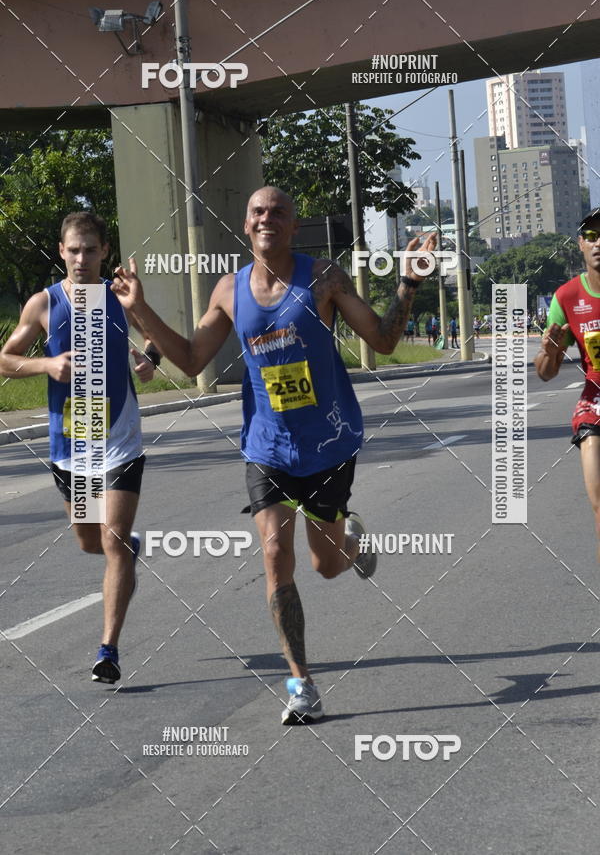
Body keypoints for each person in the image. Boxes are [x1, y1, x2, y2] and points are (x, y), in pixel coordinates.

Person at [111, 186, 436, 724]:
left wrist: (407, 282)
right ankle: (301, 684)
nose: (268, 219)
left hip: (328, 445)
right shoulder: (228, 290)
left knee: (325, 565)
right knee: (273, 555)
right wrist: (140, 309)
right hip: (267, 448)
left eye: (279, 212)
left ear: (293, 225)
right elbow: (192, 360)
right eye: (259, 212)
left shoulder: (324, 278)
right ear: (246, 225)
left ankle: (350, 545)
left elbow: (381, 341)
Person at [0, 212, 157, 683]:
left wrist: (149, 359)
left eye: (91, 249)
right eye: (74, 250)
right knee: (90, 540)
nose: (82, 258)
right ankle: (128, 552)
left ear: (104, 251)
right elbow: (5, 360)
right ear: (61, 251)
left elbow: (154, 335)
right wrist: (46, 365)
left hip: (120, 439)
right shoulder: (43, 304)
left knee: (110, 540)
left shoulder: (119, 295)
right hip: (72, 444)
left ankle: (108, 650)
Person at [535, 208, 600, 563]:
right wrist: (551, 350)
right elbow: (545, 372)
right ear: (580, 244)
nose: (598, 242)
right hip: (595, 407)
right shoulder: (566, 297)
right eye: (591, 235)